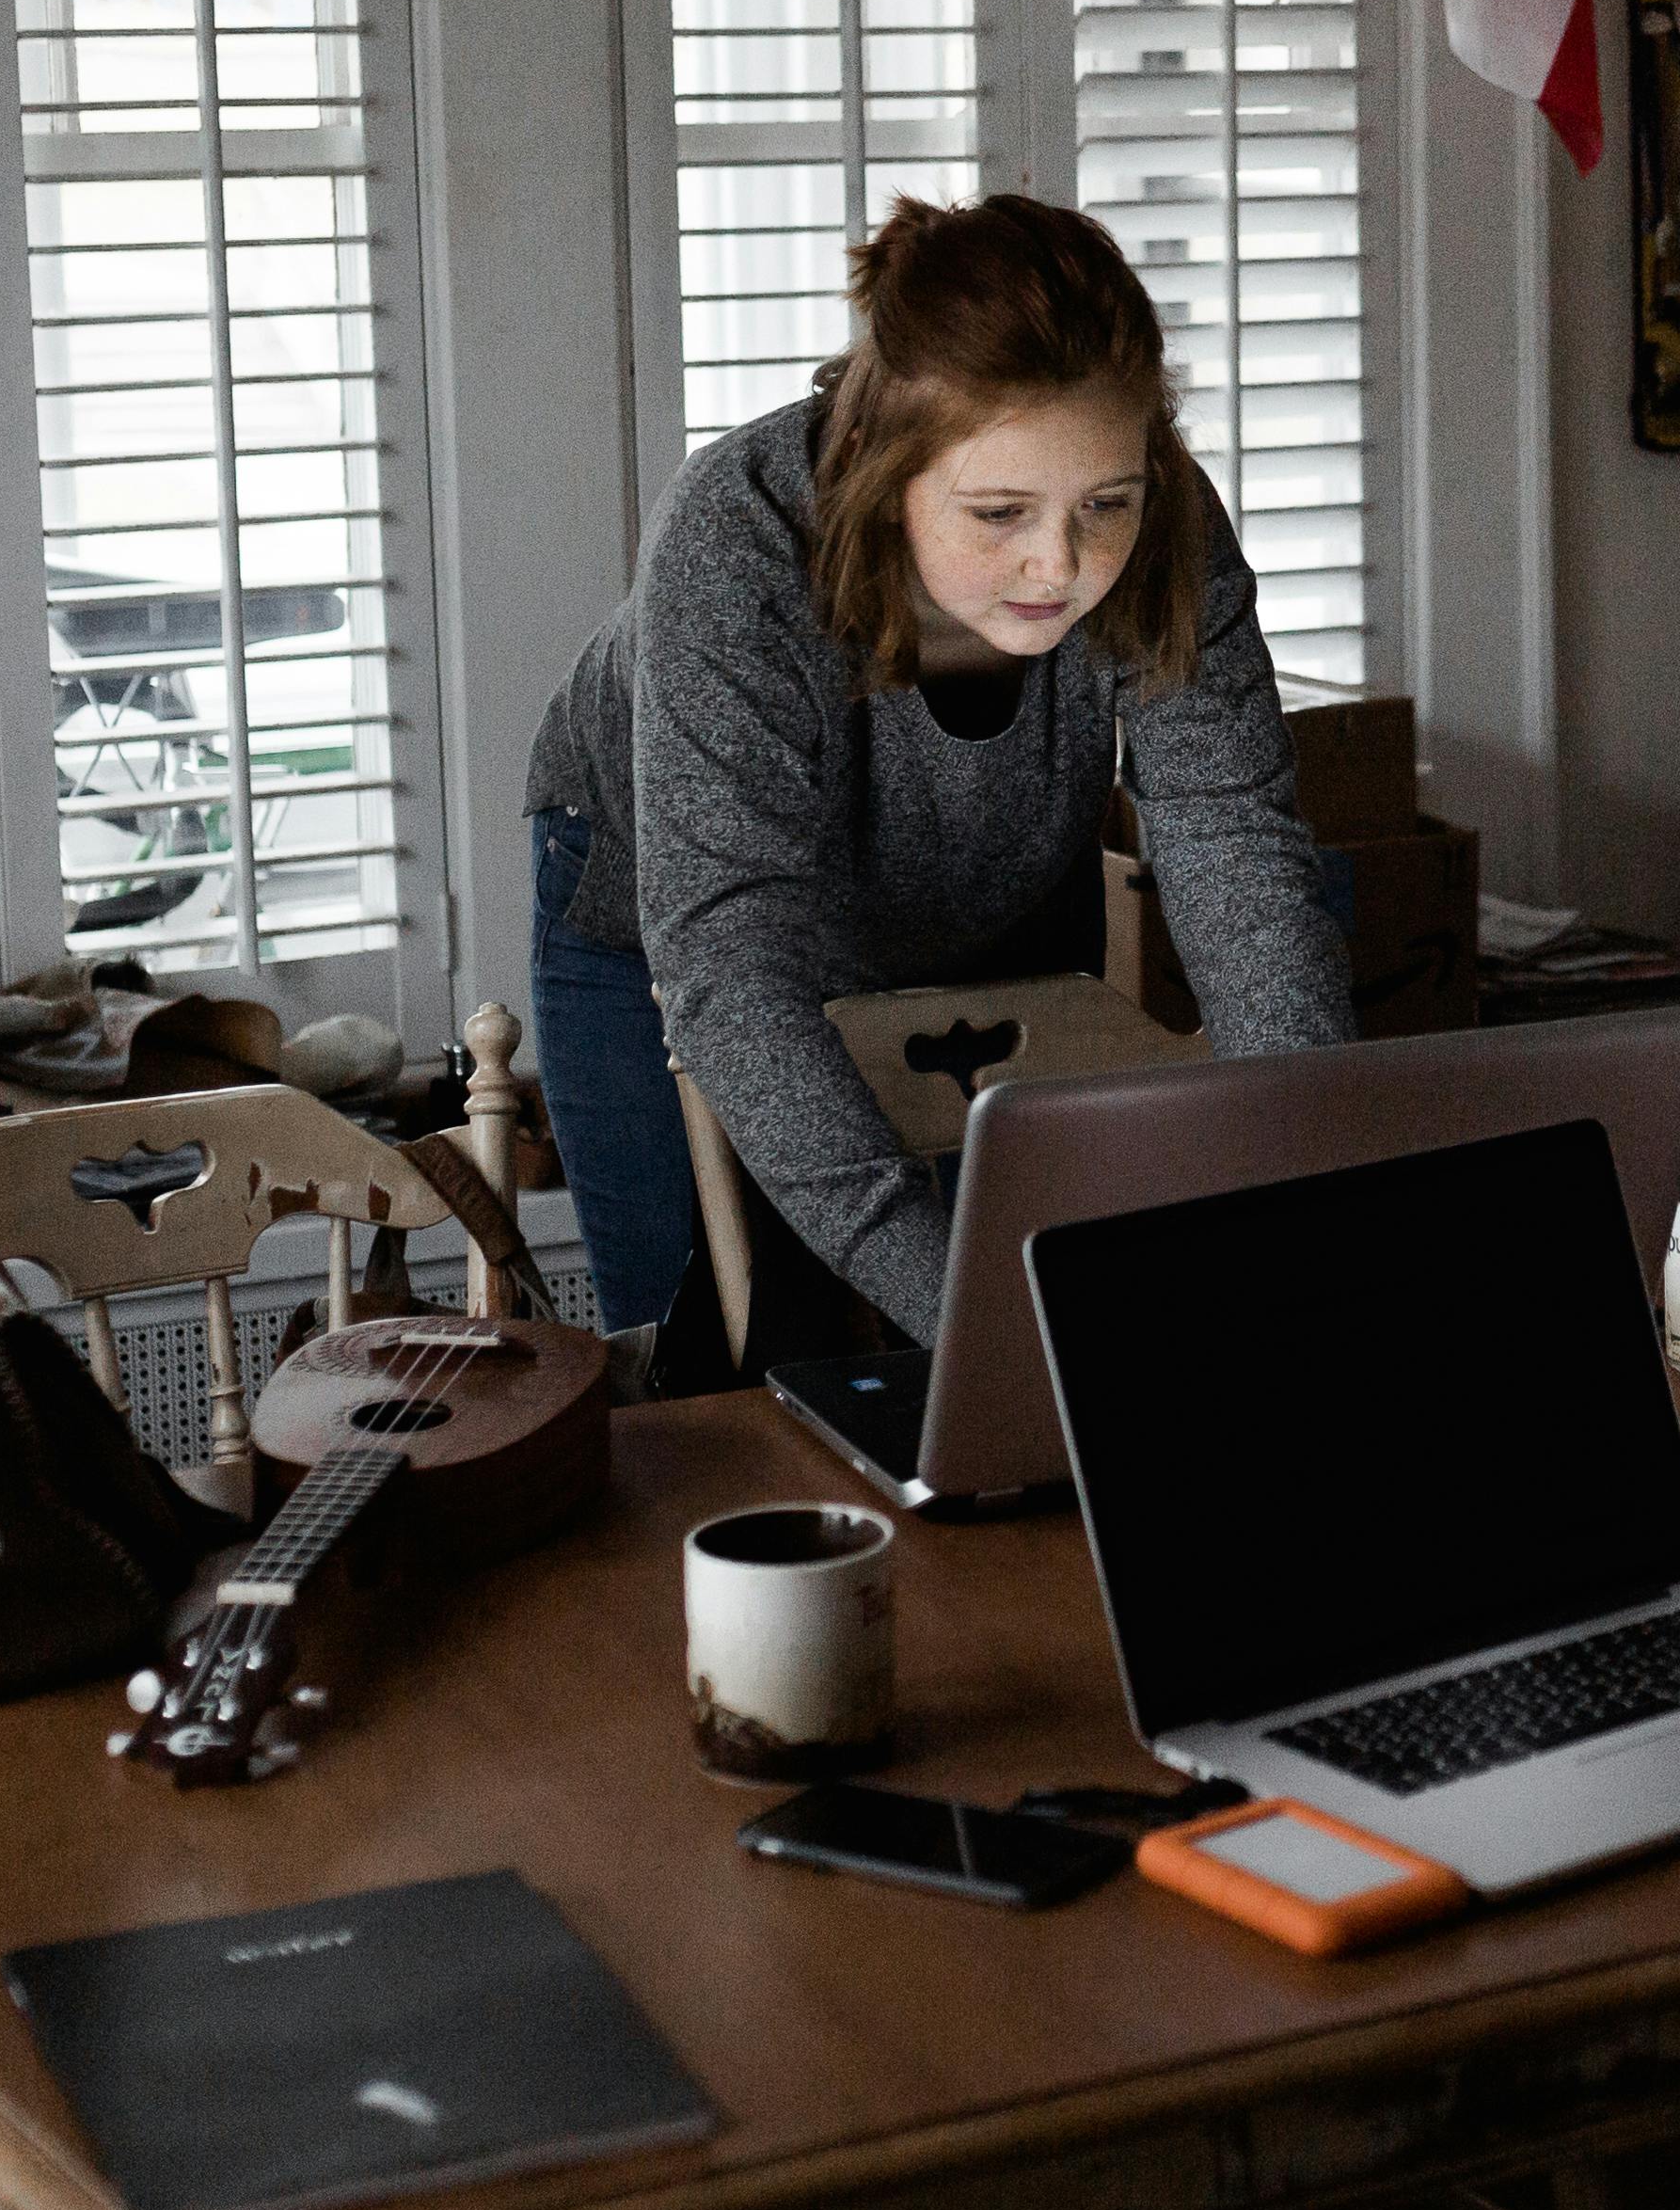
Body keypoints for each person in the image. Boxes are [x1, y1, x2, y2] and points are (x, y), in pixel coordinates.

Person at [518, 194, 1352, 1352]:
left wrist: (1312, 1185)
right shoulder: (735, 540)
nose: (1059, 563)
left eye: (1105, 503)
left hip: (986, 896)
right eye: (1000, 510)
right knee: (707, 1375)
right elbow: (736, 971)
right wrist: (969, 1321)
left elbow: (1236, 850)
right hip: (668, 932)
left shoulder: (1167, 530)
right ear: (877, 464)